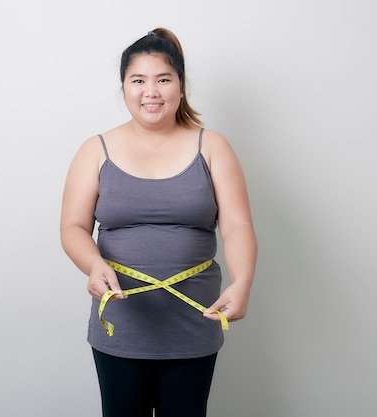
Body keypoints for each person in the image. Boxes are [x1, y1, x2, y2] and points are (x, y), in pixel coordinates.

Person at [60, 27, 257, 417]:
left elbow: (236, 226)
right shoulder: (94, 150)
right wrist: (94, 265)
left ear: (181, 88)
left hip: (193, 322)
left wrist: (243, 282)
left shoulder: (212, 147)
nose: (151, 91)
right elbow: (73, 228)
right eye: (138, 80)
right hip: (121, 321)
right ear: (124, 89)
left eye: (163, 79)